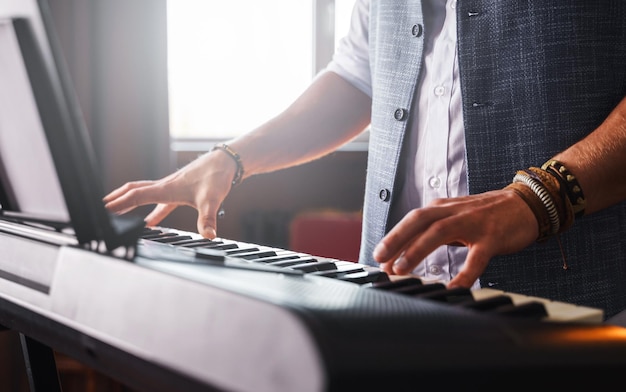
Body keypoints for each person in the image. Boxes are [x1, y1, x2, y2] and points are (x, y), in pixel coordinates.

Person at [104, 0, 626, 319]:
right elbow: (358, 77)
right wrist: (232, 158)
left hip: (579, 313)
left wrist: (540, 198)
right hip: (397, 304)